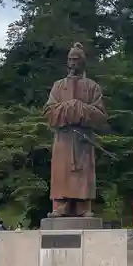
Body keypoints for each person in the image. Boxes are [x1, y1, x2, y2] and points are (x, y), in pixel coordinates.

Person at [43, 42, 107, 218]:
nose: (72, 63)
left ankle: (83, 206)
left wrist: (80, 109)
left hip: (83, 138)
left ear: (82, 62)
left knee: (83, 172)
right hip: (63, 137)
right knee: (61, 172)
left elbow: (100, 115)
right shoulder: (58, 86)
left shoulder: (92, 87)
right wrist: (68, 108)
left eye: (76, 59)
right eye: (70, 59)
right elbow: (49, 112)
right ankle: (60, 205)